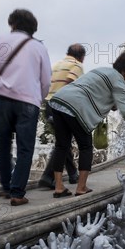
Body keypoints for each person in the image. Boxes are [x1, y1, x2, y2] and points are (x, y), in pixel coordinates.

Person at [49, 53, 125, 197]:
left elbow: (97, 93)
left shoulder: (100, 70)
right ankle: (81, 187)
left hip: (58, 100)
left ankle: (59, 187)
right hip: (75, 106)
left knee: (62, 145)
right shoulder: (119, 81)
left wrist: (111, 104)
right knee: (86, 146)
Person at [0, 9, 51, 206]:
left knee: (3, 145)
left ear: (12, 24)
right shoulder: (39, 48)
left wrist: (3, 75)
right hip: (28, 102)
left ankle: (5, 186)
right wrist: (39, 97)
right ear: (33, 29)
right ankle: (17, 192)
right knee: (25, 148)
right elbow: (46, 80)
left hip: (1, 99)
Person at [38, 44, 86, 189]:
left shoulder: (57, 65)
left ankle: (72, 174)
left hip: (49, 105)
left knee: (63, 140)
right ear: (81, 56)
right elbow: (70, 82)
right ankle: (47, 177)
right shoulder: (77, 66)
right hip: (63, 105)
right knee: (62, 143)